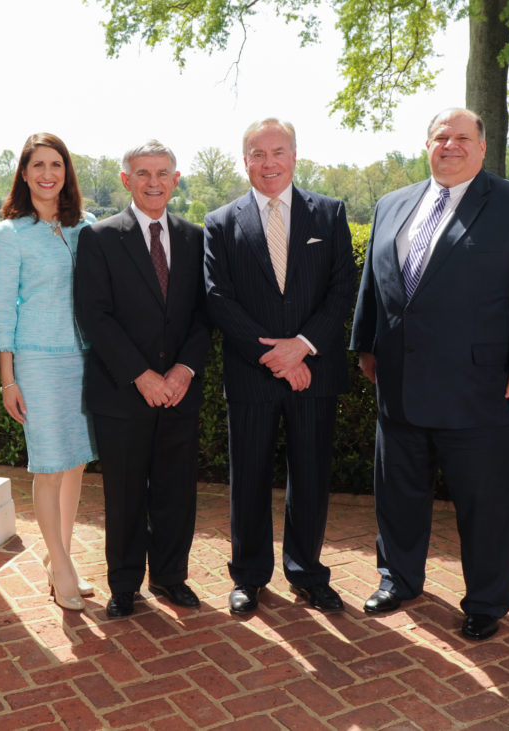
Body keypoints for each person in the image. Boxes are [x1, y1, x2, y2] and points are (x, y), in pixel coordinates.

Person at [350, 108, 509, 640]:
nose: (451, 145)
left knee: (487, 502)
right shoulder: (392, 204)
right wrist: (365, 344)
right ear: (426, 144)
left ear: (483, 146)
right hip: (399, 384)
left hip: (486, 390)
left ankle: (487, 601)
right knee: (397, 491)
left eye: (463, 137)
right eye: (440, 137)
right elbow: (374, 284)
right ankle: (397, 578)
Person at [204, 118, 355, 614]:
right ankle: (248, 576)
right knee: (247, 477)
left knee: (310, 475)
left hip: (315, 370)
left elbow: (341, 290)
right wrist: (278, 358)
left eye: (278, 151)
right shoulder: (221, 222)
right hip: (253, 373)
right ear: (244, 159)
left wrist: (304, 346)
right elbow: (218, 297)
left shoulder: (329, 214)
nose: (268, 163)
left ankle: (307, 573)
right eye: (257, 153)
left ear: (295, 155)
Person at [75, 141, 209, 618]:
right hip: (122, 393)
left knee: (176, 491)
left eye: (163, 173)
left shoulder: (196, 237)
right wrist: (142, 375)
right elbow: (95, 315)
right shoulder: (101, 238)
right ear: (126, 180)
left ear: (176, 180)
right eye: (143, 173)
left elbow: (202, 314)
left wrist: (182, 371)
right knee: (126, 493)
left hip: (179, 392)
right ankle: (125, 584)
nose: (154, 182)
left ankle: (172, 578)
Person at [0, 133, 98, 612]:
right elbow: (3, 311)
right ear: (24, 173)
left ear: (66, 171)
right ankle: (59, 565)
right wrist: (7, 377)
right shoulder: (10, 232)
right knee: (49, 465)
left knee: (75, 461)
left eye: (55, 164)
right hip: (35, 360)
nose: (47, 173)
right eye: (38, 165)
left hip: (83, 358)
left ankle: (62, 558)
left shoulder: (86, 227)